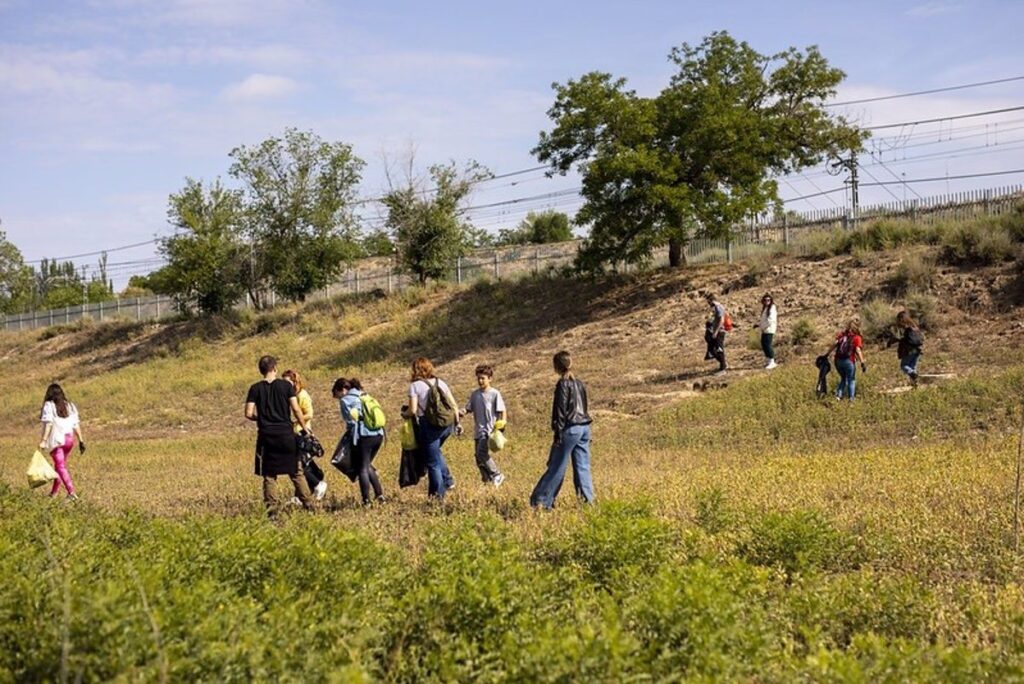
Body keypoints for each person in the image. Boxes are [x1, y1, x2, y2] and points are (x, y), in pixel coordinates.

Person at [245, 355, 315, 514]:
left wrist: (261, 418)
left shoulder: (255, 388)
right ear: (275, 368)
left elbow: (248, 413)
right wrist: (305, 428)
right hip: (286, 434)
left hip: (266, 436)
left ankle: (273, 511)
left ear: (261, 370)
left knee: (269, 476)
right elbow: (296, 410)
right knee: (296, 472)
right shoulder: (285, 386)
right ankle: (310, 506)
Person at [530, 351, 595, 509]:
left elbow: (560, 411)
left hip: (570, 428)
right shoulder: (579, 383)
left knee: (557, 466)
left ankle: (541, 501)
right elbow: (584, 407)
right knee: (582, 466)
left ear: (556, 366)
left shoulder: (563, 384)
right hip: (584, 427)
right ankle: (588, 503)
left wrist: (557, 434)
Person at [406, 357, 459, 499]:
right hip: (447, 424)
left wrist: (404, 414)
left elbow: (413, 410)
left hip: (429, 425)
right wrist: (457, 423)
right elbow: (453, 404)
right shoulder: (440, 382)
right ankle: (448, 481)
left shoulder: (415, 386)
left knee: (432, 463)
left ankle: (437, 496)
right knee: (435, 452)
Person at [338, 377, 386, 506]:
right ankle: (379, 495)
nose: (337, 397)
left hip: (364, 436)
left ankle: (366, 501)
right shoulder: (364, 395)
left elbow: (350, 422)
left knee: (362, 468)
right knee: (367, 464)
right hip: (379, 434)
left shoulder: (345, 400)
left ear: (343, 390)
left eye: (336, 394)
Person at [281, 369, 327, 501]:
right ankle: (301, 494)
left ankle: (317, 484)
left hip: (301, 431)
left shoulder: (302, 395)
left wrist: (295, 420)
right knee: (302, 463)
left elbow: (309, 413)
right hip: (293, 432)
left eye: (287, 382)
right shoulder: (289, 395)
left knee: (298, 464)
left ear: (294, 381)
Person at [461, 364, 507, 487]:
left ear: (490, 379)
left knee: (481, 453)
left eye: (483, 378)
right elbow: (469, 407)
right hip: (478, 430)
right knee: (478, 458)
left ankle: (497, 474)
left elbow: (502, 411)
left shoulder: (494, 394)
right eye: (479, 378)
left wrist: (501, 427)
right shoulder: (475, 394)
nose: (480, 381)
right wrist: (462, 412)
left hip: (489, 431)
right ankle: (487, 481)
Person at [38, 383, 85, 500]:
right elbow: (76, 425)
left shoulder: (49, 405)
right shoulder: (70, 406)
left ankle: (71, 493)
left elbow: (48, 424)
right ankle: (53, 494)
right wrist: (81, 440)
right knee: (59, 467)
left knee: (60, 467)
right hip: (69, 440)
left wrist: (43, 440)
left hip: (57, 440)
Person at [824, 320, 866, 401]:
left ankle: (838, 396)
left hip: (838, 360)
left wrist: (826, 354)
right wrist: (862, 362)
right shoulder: (857, 337)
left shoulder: (842, 335)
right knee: (851, 380)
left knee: (843, 378)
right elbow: (858, 350)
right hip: (848, 361)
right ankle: (851, 399)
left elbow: (834, 344)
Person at [895, 310, 924, 387]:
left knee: (904, 366)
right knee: (913, 366)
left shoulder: (907, 329)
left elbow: (905, 340)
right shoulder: (915, 327)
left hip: (909, 350)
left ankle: (913, 374)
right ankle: (915, 385)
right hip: (918, 350)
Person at [704, 293, 728, 374]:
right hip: (716, 331)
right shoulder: (716, 308)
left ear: (711, 300)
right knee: (713, 350)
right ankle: (723, 364)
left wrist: (716, 332)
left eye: (708, 301)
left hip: (719, 332)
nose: (708, 303)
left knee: (719, 350)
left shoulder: (718, 307)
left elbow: (721, 320)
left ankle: (723, 368)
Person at [754, 293, 778, 370]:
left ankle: (772, 362)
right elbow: (764, 320)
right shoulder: (765, 308)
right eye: (765, 300)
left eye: (768, 300)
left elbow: (770, 320)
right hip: (765, 329)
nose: (767, 301)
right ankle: (768, 361)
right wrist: (758, 325)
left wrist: (762, 326)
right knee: (764, 345)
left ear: (771, 300)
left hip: (769, 329)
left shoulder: (772, 308)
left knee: (767, 345)